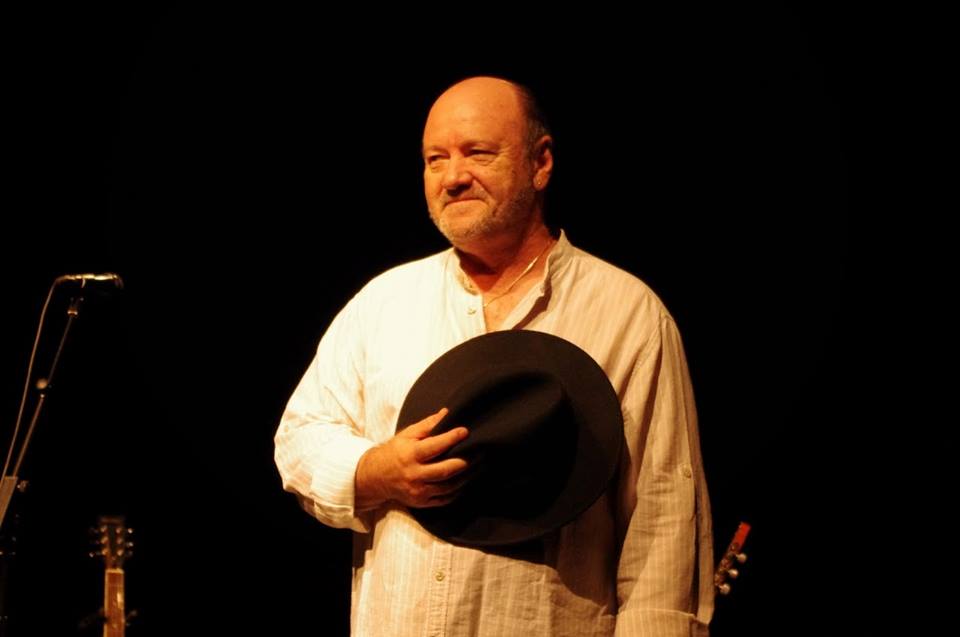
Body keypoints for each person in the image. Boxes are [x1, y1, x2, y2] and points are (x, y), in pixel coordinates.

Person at [274, 76, 714, 636]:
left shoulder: (629, 314)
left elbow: (663, 521)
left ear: (541, 162)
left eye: (477, 153)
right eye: (435, 159)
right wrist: (378, 471)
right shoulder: (383, 303)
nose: (453, 177)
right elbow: (300, 440)